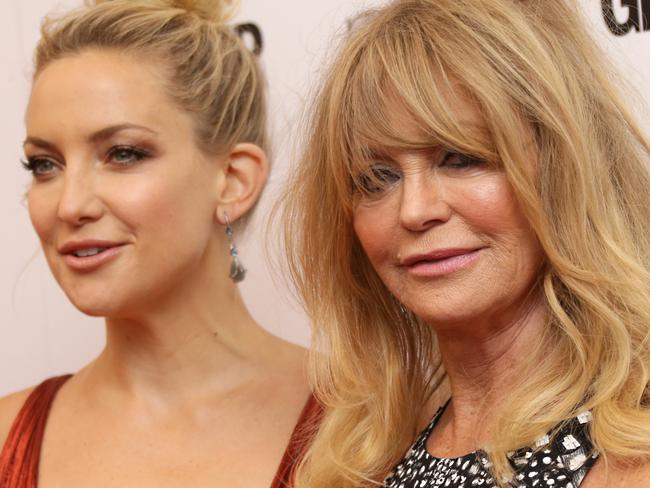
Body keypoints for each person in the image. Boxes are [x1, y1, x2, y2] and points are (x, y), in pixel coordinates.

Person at [281, 0, 650, 486]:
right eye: (377, 178)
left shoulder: (633, 453)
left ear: (565, 169)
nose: (413, 210)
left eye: (461, 158)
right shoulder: (362, 460)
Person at [0, 1, 317, 486]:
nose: (69, 205)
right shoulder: (7, 434)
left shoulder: (371, 422)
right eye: (45, 164)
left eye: (122, 154)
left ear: (233, 179)